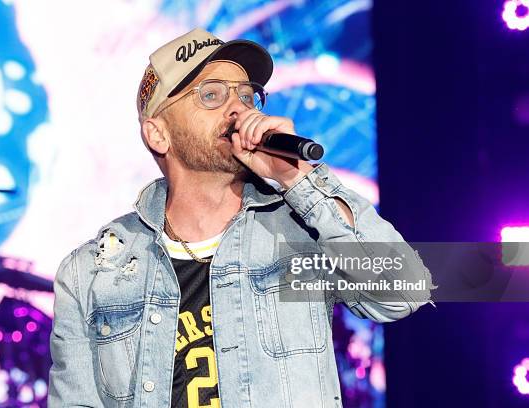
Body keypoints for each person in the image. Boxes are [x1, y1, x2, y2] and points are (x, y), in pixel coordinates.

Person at [48, 28, 433, 408]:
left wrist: (297, 179)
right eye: (211, 94)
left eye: (247, 95)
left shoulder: (299, 234)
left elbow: (404, 292)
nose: (239, 108)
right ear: (158, 135)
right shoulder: (92, 274)